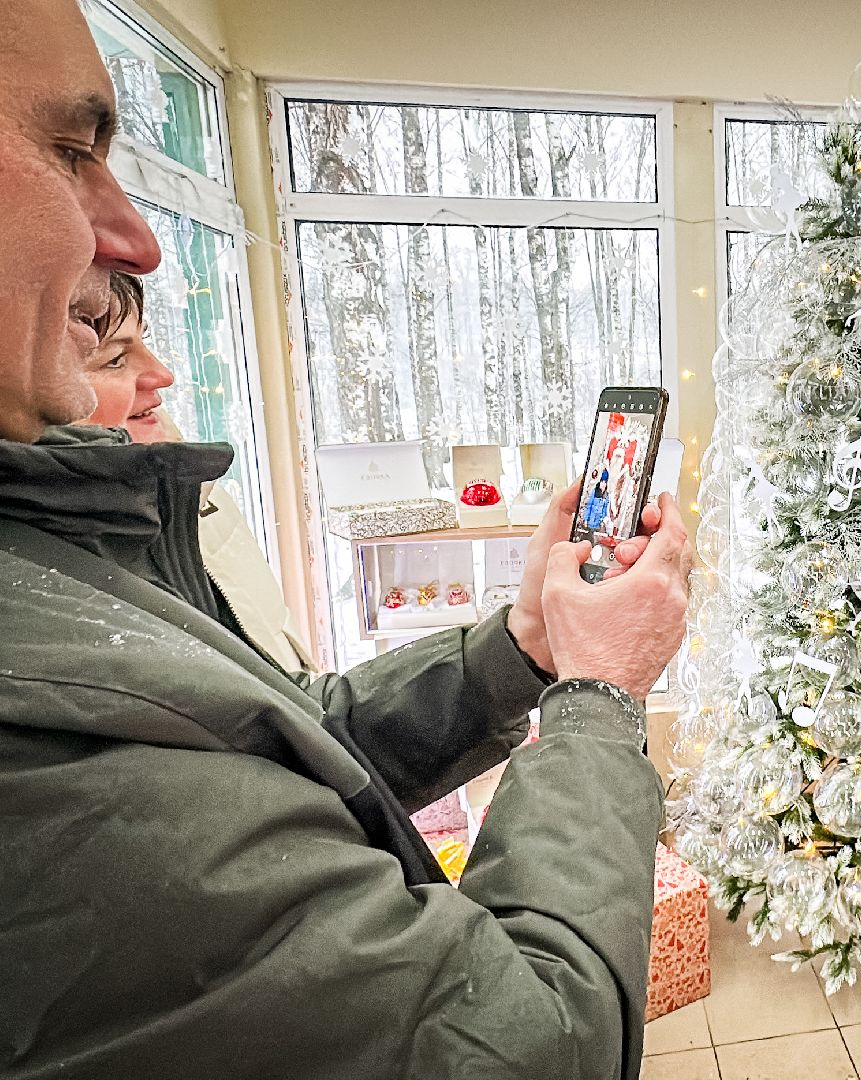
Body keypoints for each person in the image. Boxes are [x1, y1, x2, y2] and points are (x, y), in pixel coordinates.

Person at [0, 5, 692, 1078]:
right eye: (67, 151)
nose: (131, 235)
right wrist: (600, 699)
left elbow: (286, 743)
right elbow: (540, 1041)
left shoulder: (47, 573)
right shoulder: (46, 757)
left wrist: (526, 647)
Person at [81, 270, 316, 672]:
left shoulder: (192, 484)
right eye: (116, 359)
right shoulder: (73, 577)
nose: (162, 375)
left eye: (144, 343)